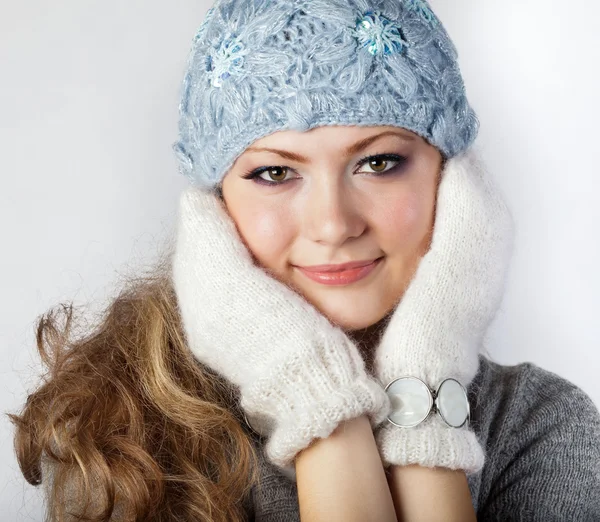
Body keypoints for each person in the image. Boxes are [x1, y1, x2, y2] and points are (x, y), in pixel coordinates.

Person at [10, 0, 600, 521]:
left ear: (456, 181)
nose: (333, 225)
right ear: (215, 208)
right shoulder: (124, 427)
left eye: (378, 163)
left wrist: (424, 405)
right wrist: (321, 407)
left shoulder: (543, 427)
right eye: (275, 173)